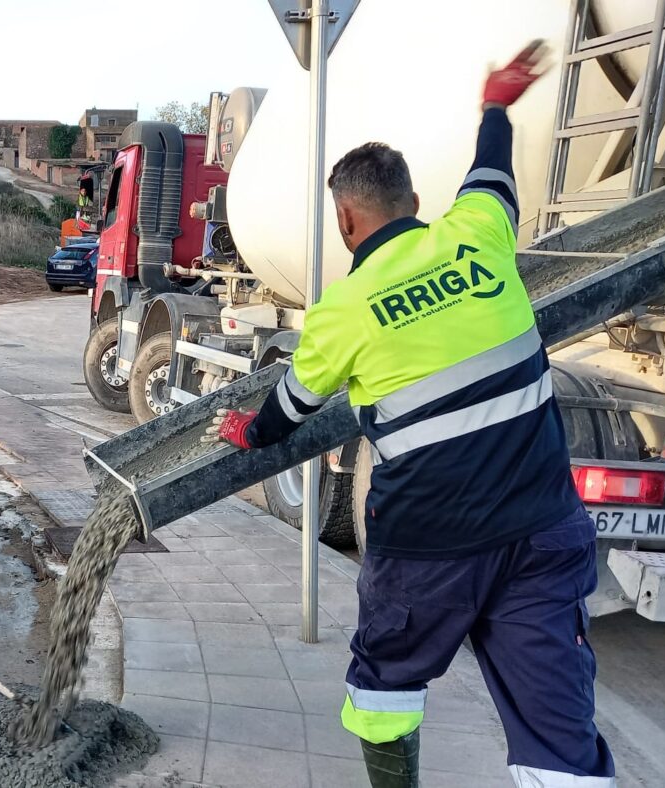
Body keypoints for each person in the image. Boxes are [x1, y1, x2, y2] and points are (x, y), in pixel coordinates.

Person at [208, 42, 615, 788]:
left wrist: (246, 431)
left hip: (430, 546)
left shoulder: (343, 311)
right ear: (415, 204)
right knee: (559, 727)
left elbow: (289, 411)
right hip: (540, 528)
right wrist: (496, 103)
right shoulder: (479, 237)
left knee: (385, 688)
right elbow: (491, 170)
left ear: (346, 219)